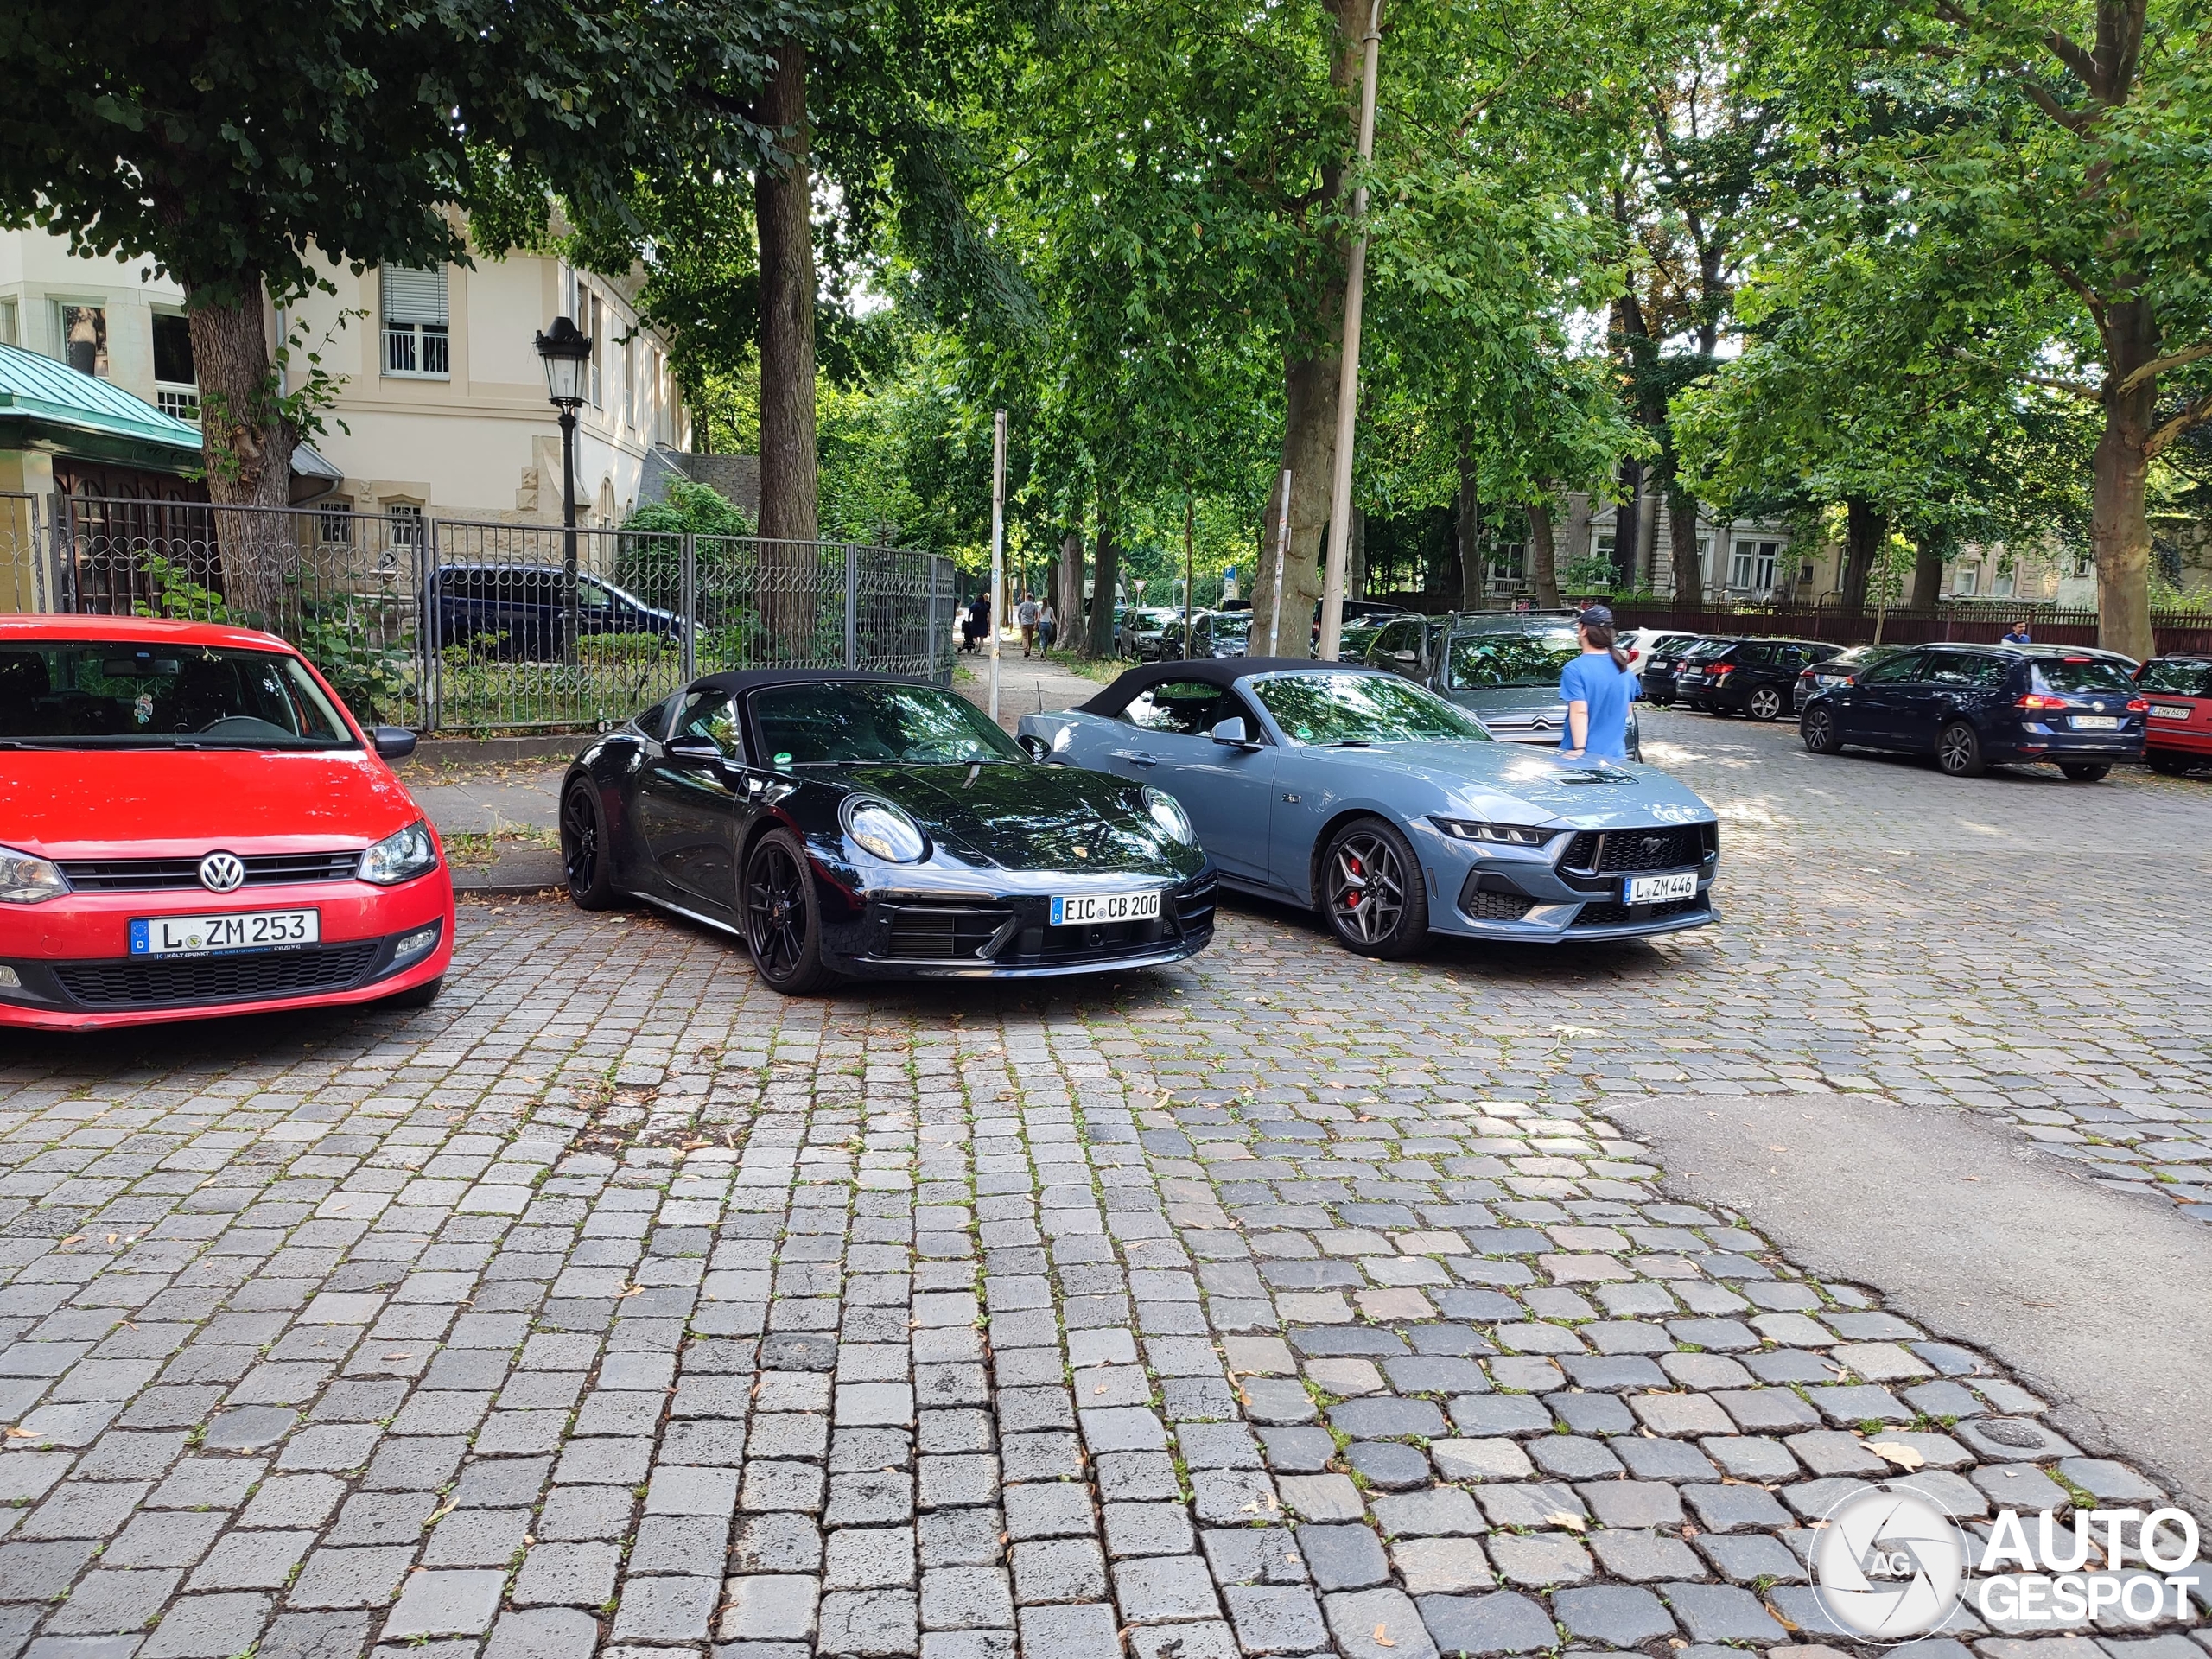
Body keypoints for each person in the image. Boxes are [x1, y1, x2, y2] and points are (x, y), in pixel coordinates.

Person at [1559, 603, 1637, 761]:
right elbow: (1627, 711)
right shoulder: (1623, 668)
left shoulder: (1575, 669)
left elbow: (1579, 711)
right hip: (1615, 756)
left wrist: (1579, 749)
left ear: (1584, 629)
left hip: (1584, 758)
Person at [1017, 591, 1041, 657]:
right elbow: (1036, 615)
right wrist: (1035, 623)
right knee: (1030, 637)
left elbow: (1019, 614)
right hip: (1031, 623)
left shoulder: (1022, 605)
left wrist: (1020, 620)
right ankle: (1029, 650)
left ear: (1026, 597)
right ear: (1032, 598)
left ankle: (1026, 650)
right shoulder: (1034, 606)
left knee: (1025, 637)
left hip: (1024, 623)